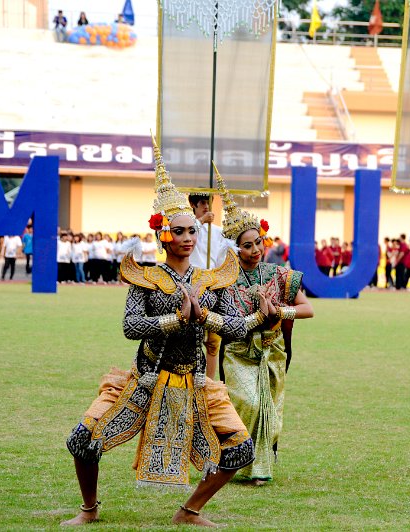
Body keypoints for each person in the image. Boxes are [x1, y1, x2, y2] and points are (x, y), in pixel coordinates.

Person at [61, 139, 260, 527]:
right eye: (179, 231)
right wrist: (175, 320)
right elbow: (129, 326)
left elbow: (234, 326)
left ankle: (189, 511)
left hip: (194, 381)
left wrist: (241, 317)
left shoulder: (209, 280)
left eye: (192, 231)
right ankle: (89, 509)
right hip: (146, 379)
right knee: (82, 442)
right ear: (162, 234)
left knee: (240, 450)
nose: (188, 237)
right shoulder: (146, 277)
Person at [215, 174, 314, 486]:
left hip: (272, 351)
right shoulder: (223, 280)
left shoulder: (279, 274)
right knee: (247, 403)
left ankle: (259, 470)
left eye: (259, 242)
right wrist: (256, 316)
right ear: (235, 249)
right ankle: (234, 462)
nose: (256, 249)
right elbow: (218, 320)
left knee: (270, 412)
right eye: (248, 245)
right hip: (238, 352)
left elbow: (308, 309)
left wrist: (279, 311)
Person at [188, 193, 231, 381]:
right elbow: (185, 235)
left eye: (209, 202)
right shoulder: (189, 227)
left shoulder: (218, 232)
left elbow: (221, 258)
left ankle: (210, 382)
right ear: (194, 205)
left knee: (214, 341)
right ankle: (190, 378)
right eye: (203, 203)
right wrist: (200, 222)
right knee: (190, 337)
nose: (207, 206)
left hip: (213, 285)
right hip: (192, 284)